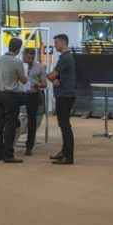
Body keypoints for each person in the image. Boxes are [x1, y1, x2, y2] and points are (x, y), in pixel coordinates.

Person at [0, 37, 27, 163]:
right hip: (11, 95)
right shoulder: (17, 62)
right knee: (10, 125)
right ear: (18, 49)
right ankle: (8, 155)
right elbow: (23, 80)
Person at [47, 34, 76, 165]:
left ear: (63, 43)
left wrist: (49, 76)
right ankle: (64, 152)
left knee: (65, 126)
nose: (54, 45)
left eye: (56, 43)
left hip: (65, 96)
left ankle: (68, 157)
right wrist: (54, 80)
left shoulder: (65, 58)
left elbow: (52, 75)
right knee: (64, 125)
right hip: (65, 95)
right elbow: (56, 77)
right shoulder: (66, 57)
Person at [20, 48, 47, 156]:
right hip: (20, 94)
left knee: (32, 121)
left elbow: (44, 84)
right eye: (28, 58)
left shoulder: (39, 67)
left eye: (32, 58)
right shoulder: (19, 66)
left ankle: (29, 147)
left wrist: (38, 85)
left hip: (33, 95)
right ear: (23, 56)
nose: (30, 60)